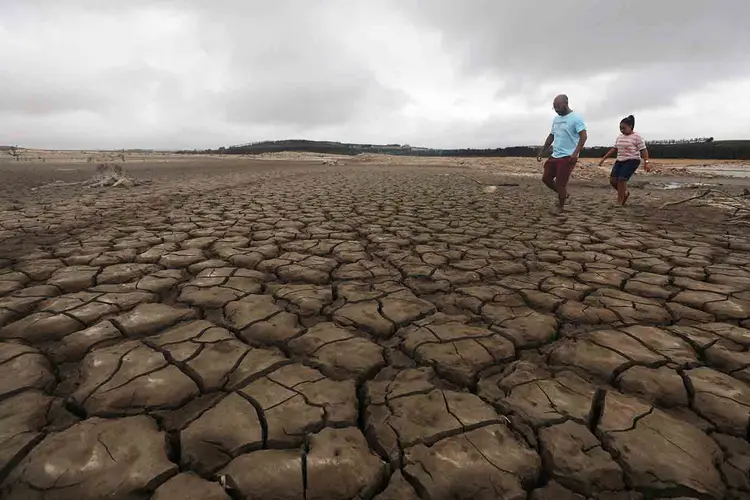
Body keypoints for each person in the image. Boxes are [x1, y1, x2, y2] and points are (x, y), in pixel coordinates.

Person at [536, 95, 588, 212]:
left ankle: (561, 206)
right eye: (554, 107)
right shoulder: (556, 119)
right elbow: (552, 135)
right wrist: (542, 151)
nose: (556, 109)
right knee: (546, 178)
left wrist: (575, 153)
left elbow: (583, 136)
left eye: (558, 106)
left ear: (566, 103)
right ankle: (564, 194)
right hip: (555, 155)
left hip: (568, 156)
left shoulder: (576, 118)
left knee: (560, 182)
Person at [598, 115, 652, 206]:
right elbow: (614, 149)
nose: (622, 130)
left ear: (630, 126)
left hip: (632, 160)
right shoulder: (620, 137)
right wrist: (603, 158)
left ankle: (620, 201)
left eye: (624, 128)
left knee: (621, 180)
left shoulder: (637, 136)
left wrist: (646, 162)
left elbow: (643, 150)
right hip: (620, 160)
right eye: (620, 128)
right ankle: (625, 193)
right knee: (613, 181)